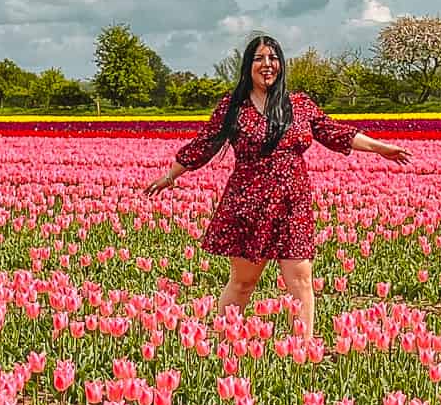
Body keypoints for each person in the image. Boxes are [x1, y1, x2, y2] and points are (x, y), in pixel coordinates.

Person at [145, 34, 411, 340]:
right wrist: (170, 176)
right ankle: (224, 344)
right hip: (249, 205)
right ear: (247, 67)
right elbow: (205, 144)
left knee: (301, 281)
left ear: (281, 65)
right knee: (243, 283)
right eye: (259, 59)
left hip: (292, 204)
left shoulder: (299, 105)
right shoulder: (234, 108)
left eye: (273, 58)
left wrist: (379, 147)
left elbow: (333, 131)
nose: (267, 65)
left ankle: (303, 349)